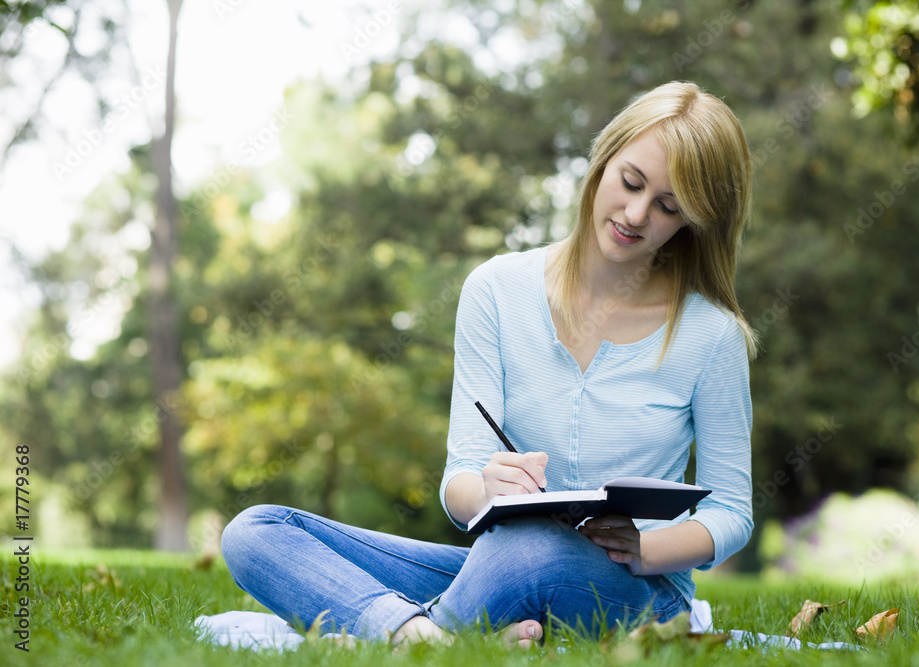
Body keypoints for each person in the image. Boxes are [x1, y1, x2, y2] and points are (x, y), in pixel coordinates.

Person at [221, 80, 757, 647]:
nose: (635, 213)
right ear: (601, 163)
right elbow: (460, 482)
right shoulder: (496, 291)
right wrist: (488, 489)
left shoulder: (711, 335)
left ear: (692, 221)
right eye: (630, 182)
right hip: (500, 566)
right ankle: (432, 638)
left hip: (635, 591)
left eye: (667, 207)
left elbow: (731, 511)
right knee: (256, 531)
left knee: (526, 551)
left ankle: (404, 637)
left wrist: (645, 548)